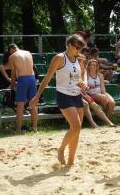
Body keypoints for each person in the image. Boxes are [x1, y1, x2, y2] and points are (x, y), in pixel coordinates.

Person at [30, 34, 88, 166]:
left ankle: (71, 161)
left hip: (77, 95)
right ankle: (61, 150)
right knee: (76, 126)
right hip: (64, 95)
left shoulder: (79, 59)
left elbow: (83, 75)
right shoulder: (59, 58)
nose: (78, 50)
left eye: (80, 47)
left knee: (76, 130)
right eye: (76, 47)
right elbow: (47, 77)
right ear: (68, 45)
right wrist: (37, 96)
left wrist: (83, 83)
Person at [9, 44, 38, 133]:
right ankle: (34, 128)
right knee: (33, 104)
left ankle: (18, 129)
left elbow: (13, 74)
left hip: (22, 79)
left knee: (20, 106)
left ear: (12, 49)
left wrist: (12, 86)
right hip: (32, 78)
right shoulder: (28, 53)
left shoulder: (12, 56)